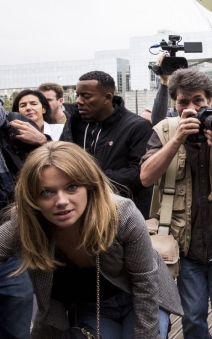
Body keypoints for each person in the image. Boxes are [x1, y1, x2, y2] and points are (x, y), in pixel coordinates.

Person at [0, 141, 183, 338]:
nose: (61, 201)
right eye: (47, 192)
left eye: (72, 187)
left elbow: (145, 285)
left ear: (89, 186)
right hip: (94, 307)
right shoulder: (25, 223)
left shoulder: (122, 215)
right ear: (32, 198)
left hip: (140, 297)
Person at [140, 68, 212, 339]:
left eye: (198, 101)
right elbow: (146, 177)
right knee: (192, 317)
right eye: (183, 102)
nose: (191, 108)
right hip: (185, 244)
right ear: (174, 104)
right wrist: (177, 139)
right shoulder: (165, 130)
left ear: (210, 99)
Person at [60, 71, 154, 218]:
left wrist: (88, 180)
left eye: (86, 96)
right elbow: (61, 160)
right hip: (79, 213)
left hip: (121, 214)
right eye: (78, 95)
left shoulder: (137, 126)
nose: (78, 101)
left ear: (107, 98)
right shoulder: (73, 124)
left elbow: (138, 173)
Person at [0, 102, 47, 339]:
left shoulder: (16, 126)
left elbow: (59, 170)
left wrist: (43, 142)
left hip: (13, 246)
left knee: (17, 329)